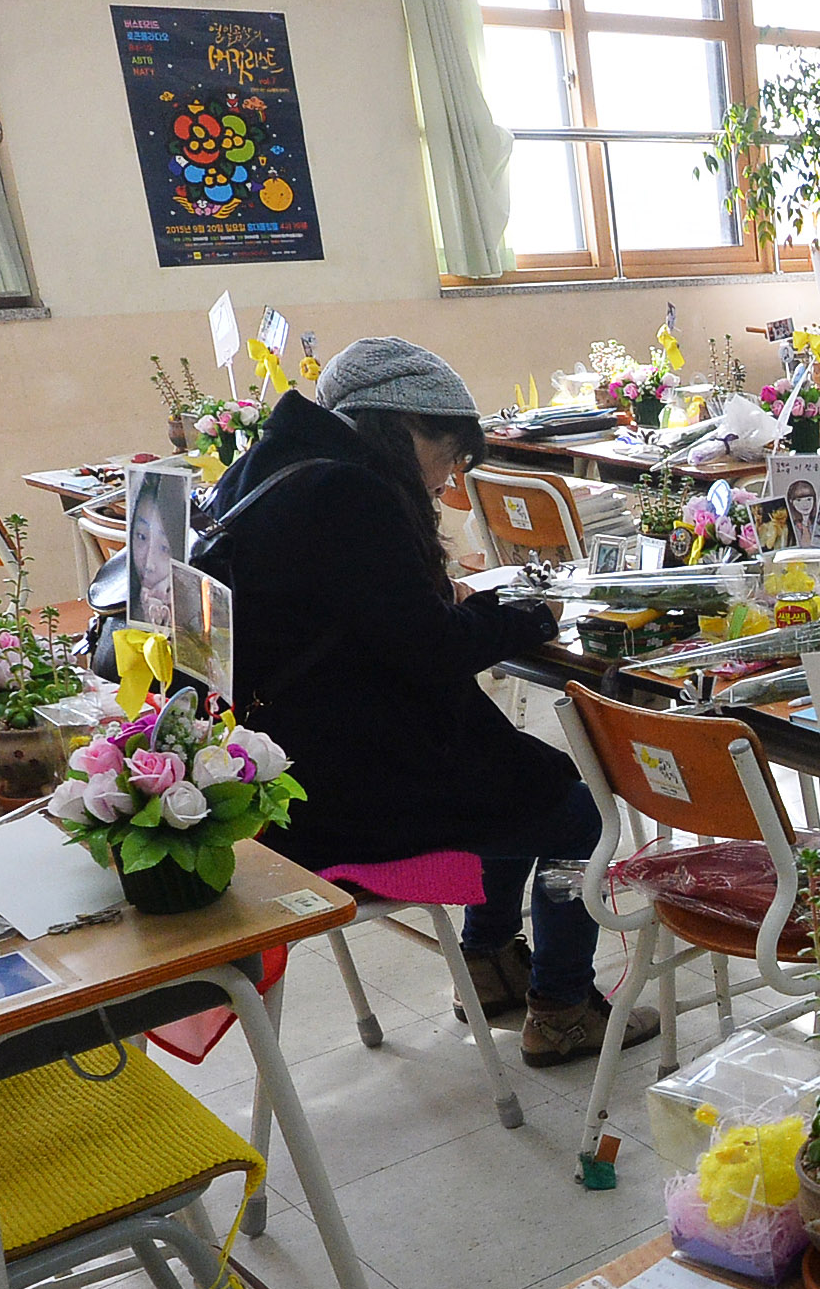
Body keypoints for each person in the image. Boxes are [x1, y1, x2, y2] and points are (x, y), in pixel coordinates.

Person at [207, 337, 642, 1066]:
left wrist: (437, 600)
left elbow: (356, 611)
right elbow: (430, 650)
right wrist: (528, 617)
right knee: (577, 810)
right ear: (405, 428)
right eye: (448, 456)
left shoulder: (271, 465)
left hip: (289, 757)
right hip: (341, 788)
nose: (448, 478)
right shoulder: (351, 493)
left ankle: (489, 962)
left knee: (518, 772)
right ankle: (564, 1008)